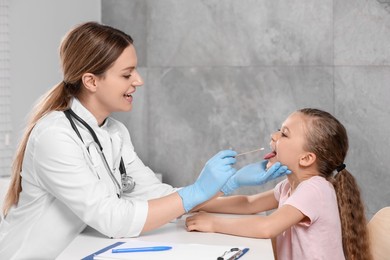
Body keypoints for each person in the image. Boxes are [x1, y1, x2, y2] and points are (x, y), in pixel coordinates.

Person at [0, 22, 290, 259]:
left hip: (76, 250)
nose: (138, 80)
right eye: (127, 74)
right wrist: (198, 190)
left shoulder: (114, 132)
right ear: (91, 81)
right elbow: (113, 219)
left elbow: (154, 194)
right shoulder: (55, 137)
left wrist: (227, 184)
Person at [186, 108, 372, 260]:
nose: (274, 135)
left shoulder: (315, 189)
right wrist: (194, 201)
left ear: (306, 158)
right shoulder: (289, 186)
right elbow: (249, 204)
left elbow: (267, 227)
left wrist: (213, 223)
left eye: (284, 134)